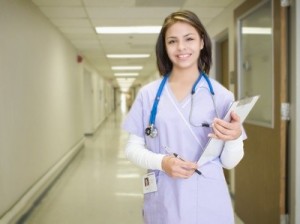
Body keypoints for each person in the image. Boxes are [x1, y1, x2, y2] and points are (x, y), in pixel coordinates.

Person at [123, 10, 245, 224]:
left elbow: (229, 162)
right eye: (172, 41)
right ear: (165, 47)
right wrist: (162, 162)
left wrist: (234, 139)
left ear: (201, 42)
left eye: (189, 38)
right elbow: (132, 149)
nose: (181, 47)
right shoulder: (149, 95)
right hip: (165, 198)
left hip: (209, 199)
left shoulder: (222, 96)